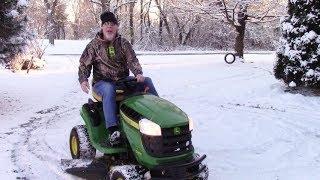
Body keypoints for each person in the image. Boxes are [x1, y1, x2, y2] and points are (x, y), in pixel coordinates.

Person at [78, 11, 158, 146]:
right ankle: (113, 131)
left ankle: (157, 117)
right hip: (102, 83)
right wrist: (83, 79)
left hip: (122, 81)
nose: (109, 27)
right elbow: (84, 64)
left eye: (113, 24)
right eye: (106, 24)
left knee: (147, 81)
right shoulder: (93, 46)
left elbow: (132, 60)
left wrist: (138, 73)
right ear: (102, 27)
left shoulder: (123, 43)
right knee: (109, 89)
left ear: (117, 27)